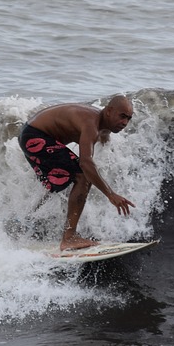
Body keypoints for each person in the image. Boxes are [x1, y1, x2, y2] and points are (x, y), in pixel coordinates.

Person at [18, 95, 136, 250]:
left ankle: (24, 223)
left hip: (30, 135)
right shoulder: (91, 123)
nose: (125, 123)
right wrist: (110, 194)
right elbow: (86, 162)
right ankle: (69, 238)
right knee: (82, 176)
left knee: (58, 183)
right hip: (35, 136)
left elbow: (101, 142)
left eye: (128, 119)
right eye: (122, 116)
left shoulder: (103, 127)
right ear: (109, 111)